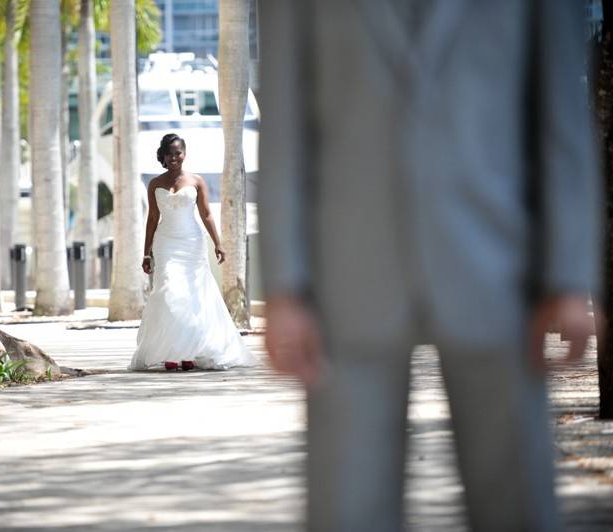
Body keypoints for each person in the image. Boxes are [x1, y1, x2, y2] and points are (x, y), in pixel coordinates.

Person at [257, 1, 600, 531]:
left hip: (498, 272)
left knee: (517, 507)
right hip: (349, 279)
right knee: (347, 510)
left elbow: (561, 119)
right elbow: (283, 127)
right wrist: (284, 288)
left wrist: (569, 277)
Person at [128, 133, 257, 371]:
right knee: (168, 292)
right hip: (166, 243)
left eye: (178, 153)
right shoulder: (155, 184)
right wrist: (146, 253)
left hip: (192, 243)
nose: (175, 157)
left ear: (184, 154)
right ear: (164, 156)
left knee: (192, 296)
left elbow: (206, 214)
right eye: (170, 154)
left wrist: (218, 243)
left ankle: (189, 354)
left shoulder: (196, 181)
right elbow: (153, 218)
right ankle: (171, 352)